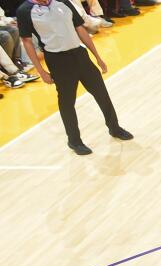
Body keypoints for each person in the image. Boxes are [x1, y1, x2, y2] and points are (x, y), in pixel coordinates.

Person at [17, 0, 132, 155]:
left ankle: (114, 127)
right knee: (67, 102)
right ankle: (74, 140)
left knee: (101, 92)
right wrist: (41, 71)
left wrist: (97, 56)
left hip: (79, 54)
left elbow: (79, 28)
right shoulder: (25, 10)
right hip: (57, 61)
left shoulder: (63, 2)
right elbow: (27, 41)